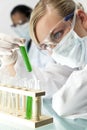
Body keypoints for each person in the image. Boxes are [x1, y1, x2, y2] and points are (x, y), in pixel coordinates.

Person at [0, 0, 87, 119]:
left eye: (57, 35)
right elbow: (48, 82)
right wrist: (11, 60)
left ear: (82, 18)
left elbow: (64, 105)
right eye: (46, 46)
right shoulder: (76, 61)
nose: (55, 49)